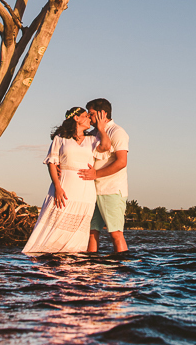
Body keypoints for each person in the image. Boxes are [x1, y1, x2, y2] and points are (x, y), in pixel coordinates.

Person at [22, 107, 111, 254]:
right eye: (86, 116)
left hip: (85, 188)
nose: (90, 119)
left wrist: (101, 128)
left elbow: (106, 146)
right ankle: (46, 254)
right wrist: (57, 187)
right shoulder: (60, 138)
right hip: (64, 185)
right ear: (76, 118)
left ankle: (75, 256)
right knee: (56, 218)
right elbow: (52, 162)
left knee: (79, 227)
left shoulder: (92, 139)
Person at [79, 98, 129, 253]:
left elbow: (121, 162)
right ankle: (91, 267)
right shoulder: (93, 133)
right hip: (93, 190)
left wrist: (96, 174)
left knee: (115, 233)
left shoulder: (117, 132)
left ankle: (123, 267)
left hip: (111, 190)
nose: (89, 116)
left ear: (102, 114)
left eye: (92, 113)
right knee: (92, 232)